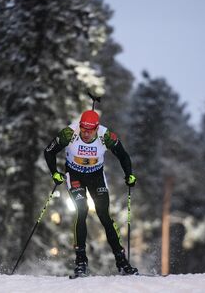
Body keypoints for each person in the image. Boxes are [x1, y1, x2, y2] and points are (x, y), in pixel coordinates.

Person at [44, 109, 138, 276]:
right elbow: (49, 151)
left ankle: (122, 262)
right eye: (83, 129)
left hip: (96, 176)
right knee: (82, 211)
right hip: (74, 176)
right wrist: (55, 173)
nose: (86, 134)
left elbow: (123, 155)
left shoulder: (105, 135)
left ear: (96, 127)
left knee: (104, 215)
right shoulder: (69, 133)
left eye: (90, 130)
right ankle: (81, 262)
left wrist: (129, 174)